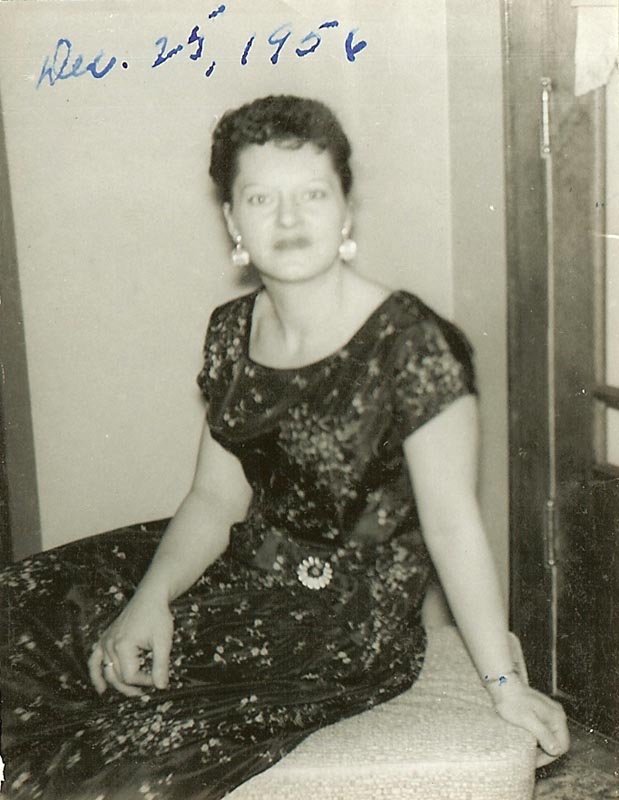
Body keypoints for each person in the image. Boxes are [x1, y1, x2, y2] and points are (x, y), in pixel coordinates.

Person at [0, 94, 569, 800]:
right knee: (22, 612)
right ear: (232, 221)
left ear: (345, 209)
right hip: (242, 563)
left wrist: (506, 686)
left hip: (340, 623)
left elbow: (453, 527)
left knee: (112, 754)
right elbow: (215, 498)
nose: (290, 219)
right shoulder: (230, 332)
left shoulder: (413, 346)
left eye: (313, 195)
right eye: (261, 198)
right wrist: (150, 600)